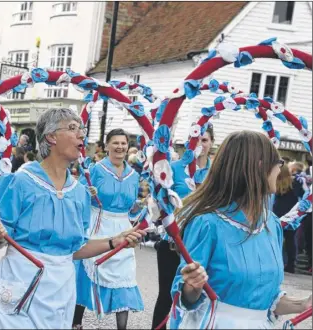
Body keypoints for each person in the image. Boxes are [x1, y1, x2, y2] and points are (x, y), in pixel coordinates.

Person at [0, 108, 146, 330]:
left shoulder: (79, 192)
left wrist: (114, 241)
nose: (81, 135)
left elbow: (75, 249)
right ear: (51, 137)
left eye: (82, 129)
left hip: (61, 287)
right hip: (22, 280)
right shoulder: (20, 181)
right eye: (72, 129)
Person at [169, 131, 312, 329]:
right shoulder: (207, 223)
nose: (280, 169)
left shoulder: (272, 224)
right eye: (277, 162)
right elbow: (186, 298)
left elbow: (267, 301)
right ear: (259, 166)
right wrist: (192, 287)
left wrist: (304, 304)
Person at [74, 128, 145, 330]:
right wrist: (87, 192)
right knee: (88, 270)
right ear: (106, 146)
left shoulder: (134, 175)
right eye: (115, 143)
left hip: (123, 227)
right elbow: (77, 193)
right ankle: (76, 322)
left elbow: (131, 208)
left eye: (123, 143)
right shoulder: (95, 170)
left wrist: (140, 206)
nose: (120, 147)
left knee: (124, 274)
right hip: (98, 224)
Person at [151, 125, 214, 329]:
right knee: (167, 295)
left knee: (197, 298)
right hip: (173, 243)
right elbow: (161, 200)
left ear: (211, 143)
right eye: (196, 140)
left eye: (205, 140)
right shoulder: (175, 168)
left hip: (203, 245)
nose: (200, 145)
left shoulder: (217, 173)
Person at [273, 164, 305, 273]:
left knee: (276, 240)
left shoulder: (275, 182)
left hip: (277, 214)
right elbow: (302, 195)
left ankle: (275, 263)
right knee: (291, 240)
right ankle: (291, 265)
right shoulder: (295, 182)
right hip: (292, 214)